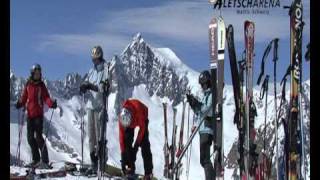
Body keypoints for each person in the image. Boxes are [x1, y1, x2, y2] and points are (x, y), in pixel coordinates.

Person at [15, 64, 57, 169]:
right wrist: (20, 103)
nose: (38, 75)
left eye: (39, 73)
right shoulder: (28, 84)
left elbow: (46, 97)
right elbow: (24, 96)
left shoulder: (41, 85)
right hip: (29, 115)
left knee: (38, 137)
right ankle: (36, 159)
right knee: (30, 138)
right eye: (36, 73)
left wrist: (51, 104)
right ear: (32, 74)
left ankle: (45, 161)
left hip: (38, 115)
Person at [80, 46, 110, 175]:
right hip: (90, 106)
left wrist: (91, 86)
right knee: (91, 137)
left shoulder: (106, 69)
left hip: (100, 107)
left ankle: (101, 164)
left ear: (100, 57)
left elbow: (104, 87)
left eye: (97, 59)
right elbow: (86, 82)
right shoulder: (91, 71)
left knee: (99, 138)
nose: (95, 61)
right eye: (93, 59)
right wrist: (84, 86)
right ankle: (93, 163)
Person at [186, 70, 215, 180]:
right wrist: (193, 104)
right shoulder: (206, 95)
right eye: (201, 84)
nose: (202, 86)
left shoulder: (212, 95)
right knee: (203, 159)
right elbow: (200, 112)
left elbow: (208, 110)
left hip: (207, 130)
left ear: (208, 82)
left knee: (205, 159)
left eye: (203, 84)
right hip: (202, 129)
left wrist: (197, 103)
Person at [118, 99, 153, 180]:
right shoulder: (122, 118)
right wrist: (123, 155)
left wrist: (136, 146)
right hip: (131, 119)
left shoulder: (139, 114)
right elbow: (121, 137)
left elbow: (142, 130)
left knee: (145, 145)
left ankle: (148, 173)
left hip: (142, 115)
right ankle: (130, 167)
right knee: (127, 141)